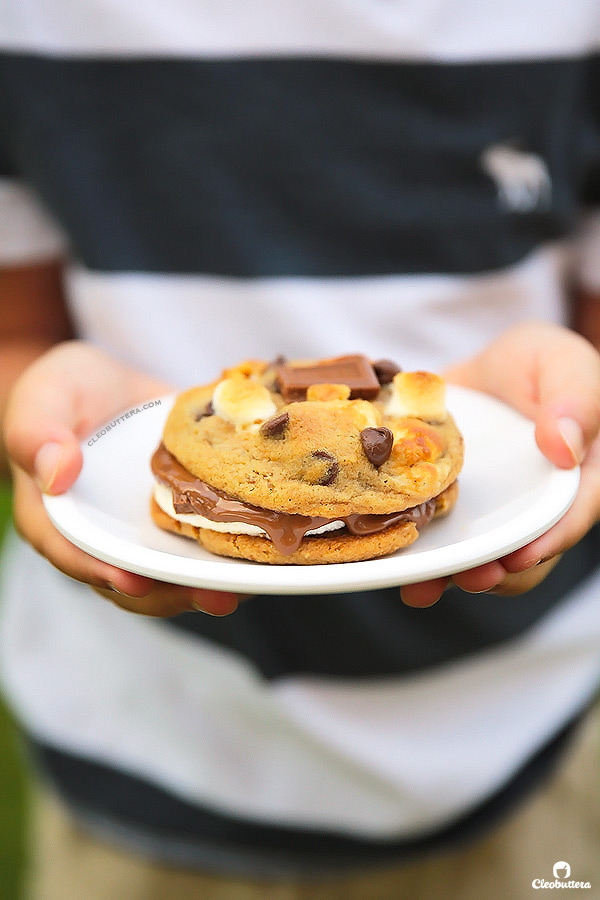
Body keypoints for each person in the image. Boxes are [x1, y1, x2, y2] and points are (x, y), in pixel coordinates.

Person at [1, 2, 600, 898]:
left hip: (531, 735)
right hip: (152, 743)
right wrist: (43, 404)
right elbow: (19, 325)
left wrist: (575, 418)